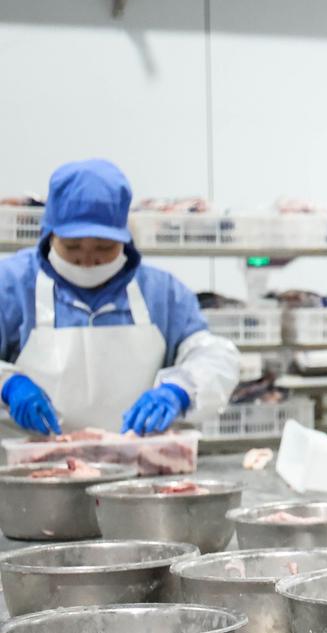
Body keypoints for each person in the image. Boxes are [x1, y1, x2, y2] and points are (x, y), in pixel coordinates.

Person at [0, 158, 240, 435]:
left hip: (137, 455)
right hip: (32, 457)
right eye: (72, 246)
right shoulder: (12, 285)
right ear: (48, 234)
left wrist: (179, 390)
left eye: (104, 247)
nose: (87, 260)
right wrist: (8, 384)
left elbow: (212, 355)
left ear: (125, 239)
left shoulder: (162, 292)